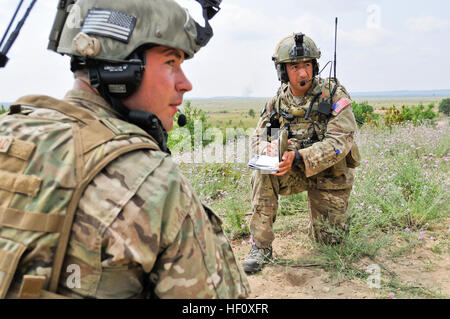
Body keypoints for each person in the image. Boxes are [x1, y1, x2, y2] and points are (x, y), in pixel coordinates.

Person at [0, 0, 250, 299]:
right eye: (171, 62)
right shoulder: (153, 179)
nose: (186, 84)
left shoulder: (8, 131)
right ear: (122, 71)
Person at [242, 33, 360, 273]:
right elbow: (257, 138)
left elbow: (341, 140)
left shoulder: (333, 94)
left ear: (315, 65)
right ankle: (261, 246)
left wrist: (298, 156)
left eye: (307, 65)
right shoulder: (277, 102)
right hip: (291, 170)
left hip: (330, 174)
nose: (303, 73)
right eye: (295, 67)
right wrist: (270, 151)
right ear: (283, 71)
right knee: (262, 172)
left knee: (330, 243)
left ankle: (320, 223)